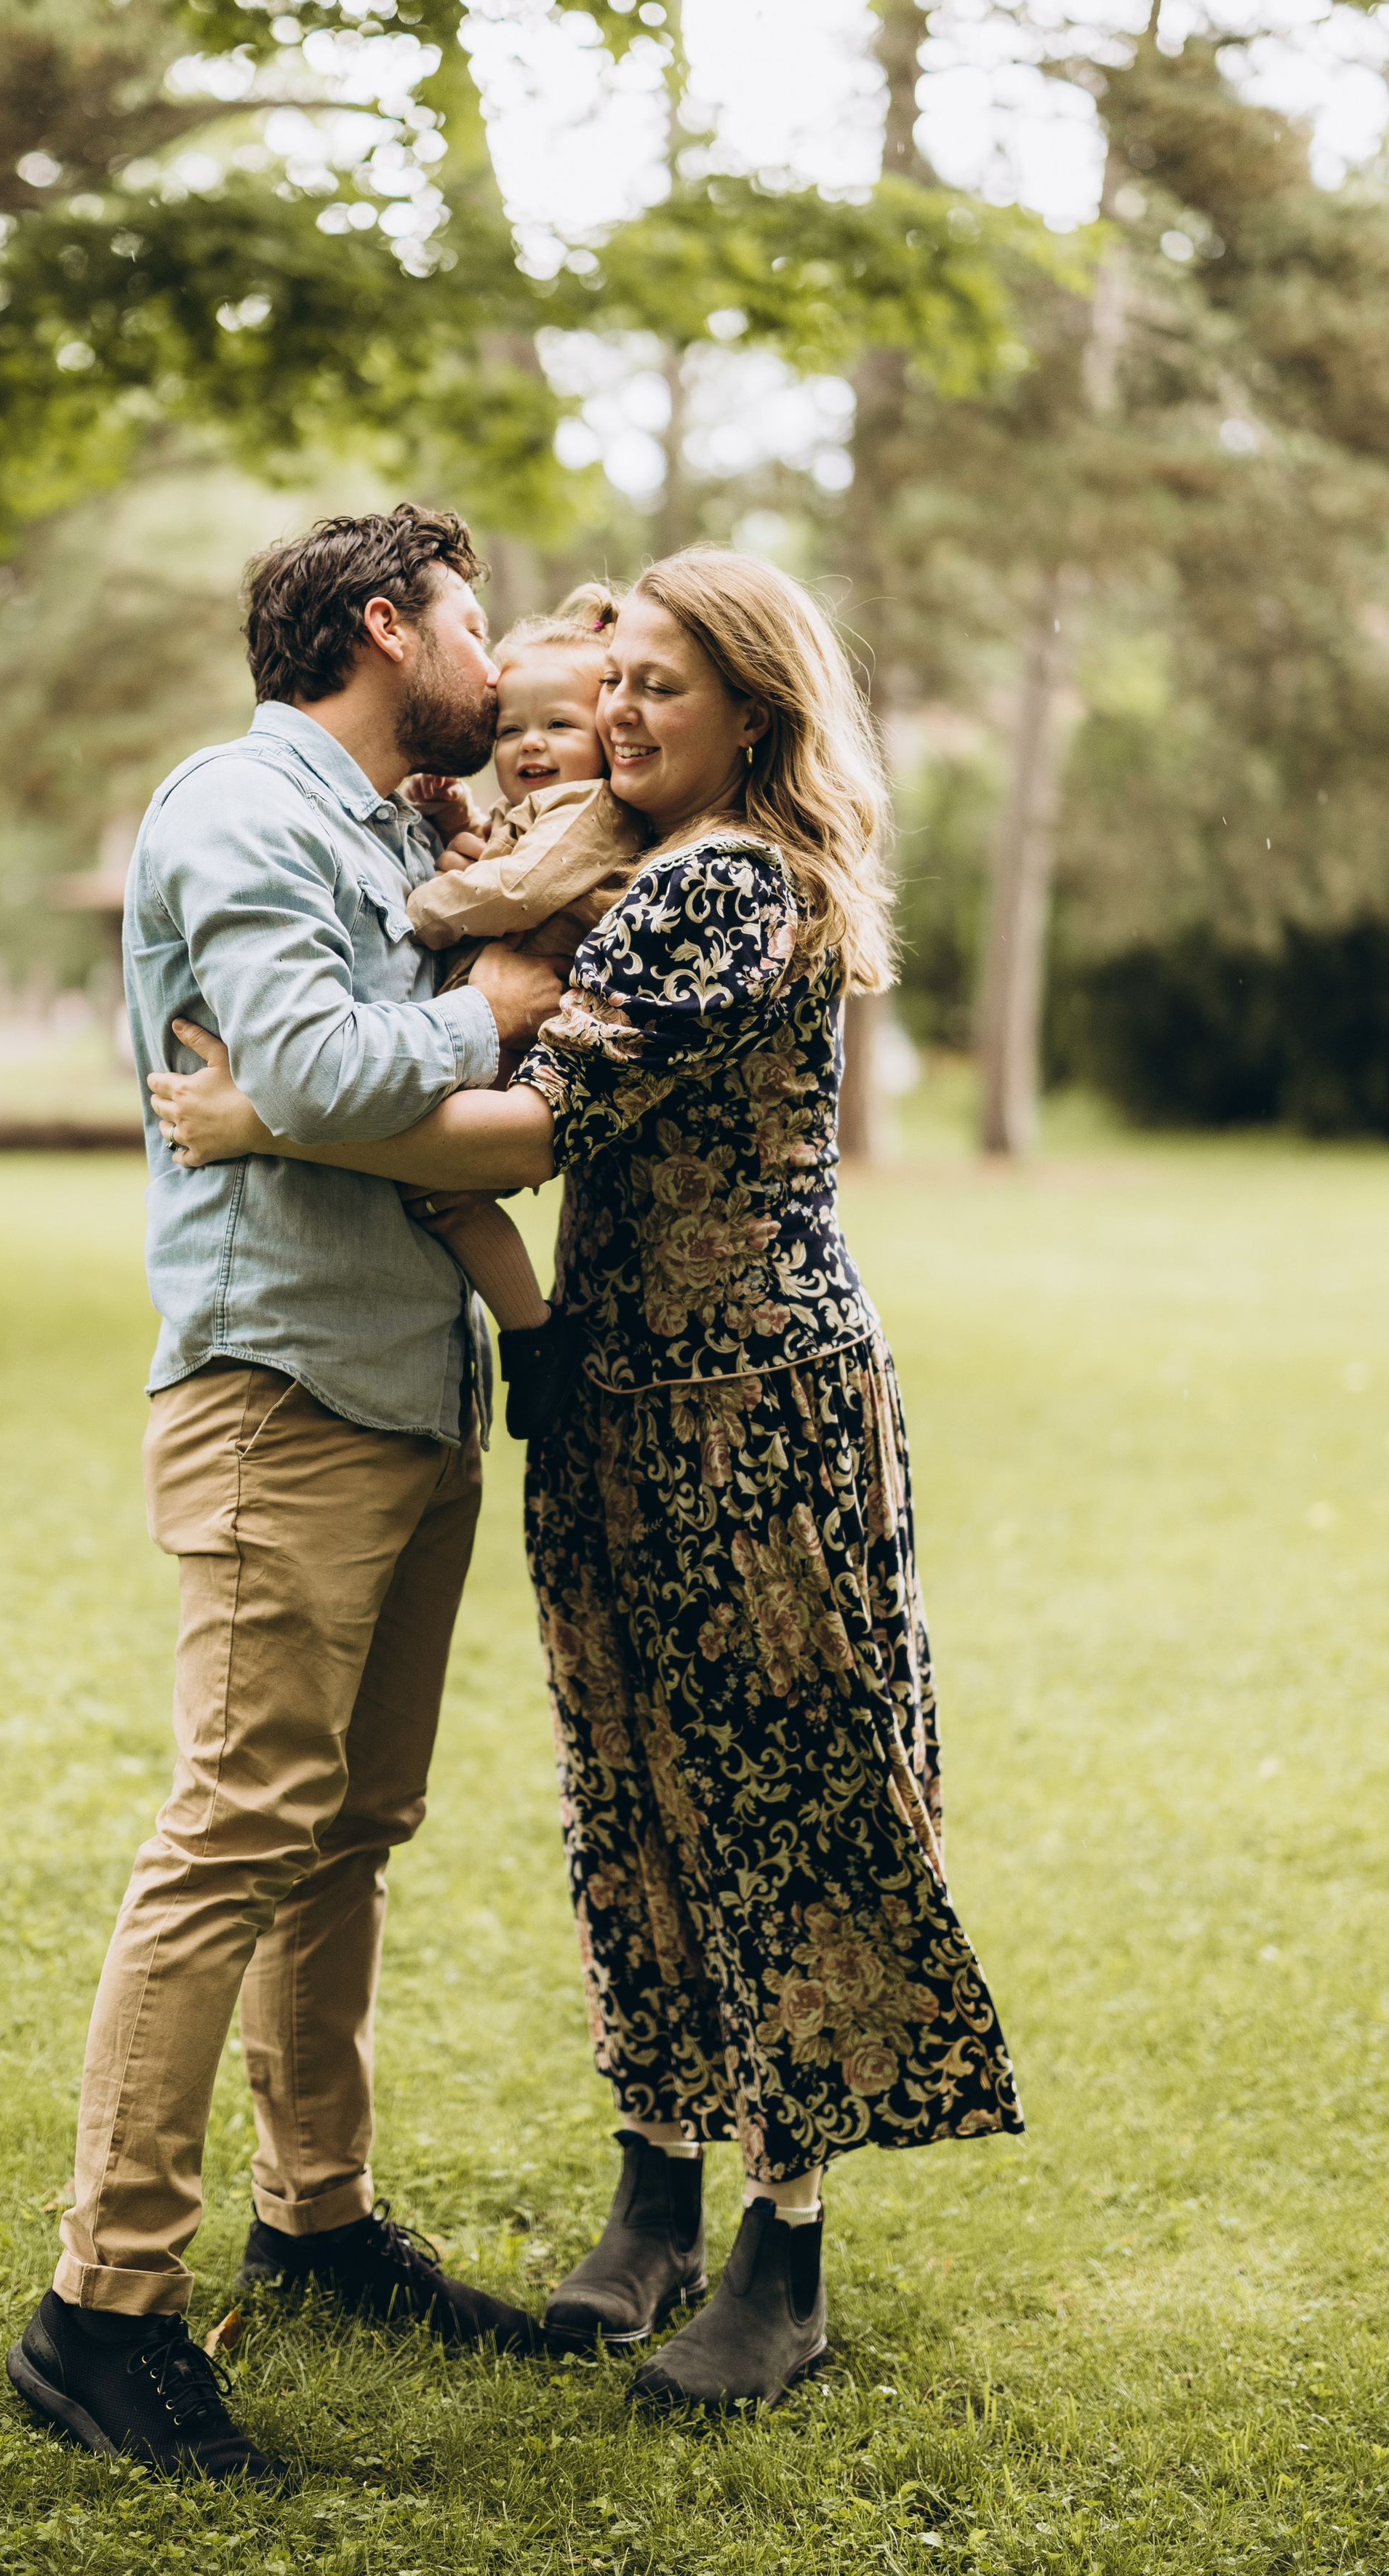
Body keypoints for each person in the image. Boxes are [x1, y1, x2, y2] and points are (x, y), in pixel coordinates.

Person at [149, 545, 1026, 2420]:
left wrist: (259, 1107)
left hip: (750, 1402)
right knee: (628, 1795)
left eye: (662, 687)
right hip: (608, 1390)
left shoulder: (726, 884)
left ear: (754, 715)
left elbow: (534, 1129)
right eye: (607, 674)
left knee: (774, 1800)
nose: (615, 713)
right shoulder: (621, 856)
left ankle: (777, 2253)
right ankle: (653, 2189)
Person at [6, 505, 566, 2485]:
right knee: (240, 1827)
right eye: (476, 621)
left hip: (416, 1387)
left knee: (352, 1829)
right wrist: (490, 1013)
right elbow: (324, 1079)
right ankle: (103, 2309)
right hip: (283, 1393)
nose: (495, 663)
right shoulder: (238, 816)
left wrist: (484, 1016)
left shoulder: (404, 835)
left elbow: (432, 1103)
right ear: (380, 622)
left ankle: (313, 2220)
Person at [399, 587, 645, 1432]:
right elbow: (510, 844)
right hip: (500, 1027)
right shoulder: (551, 808)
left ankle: (533, 1333)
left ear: (609, 741)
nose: (529, 744)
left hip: (529, 1038)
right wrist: (458, 814)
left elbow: (519, 886)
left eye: (558, 727)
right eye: (509, 730)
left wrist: (419, 906)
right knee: (445, 1197)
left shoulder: (597, 808)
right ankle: (532, 1336)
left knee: (432, 1174)